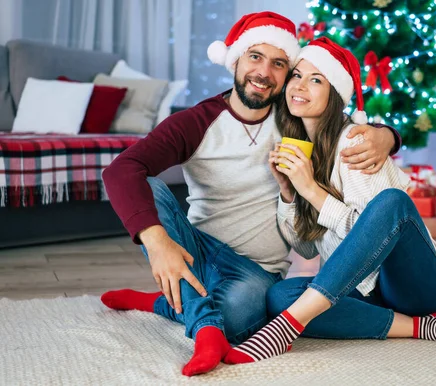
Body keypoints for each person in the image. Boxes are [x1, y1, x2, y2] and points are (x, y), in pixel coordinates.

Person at [99, 12, 400, 377]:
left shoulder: (295, 117)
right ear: (236, 59)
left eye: (278, 64)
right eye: (255, 56)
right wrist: (157, 240)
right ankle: (205, 330)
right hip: (198, 252)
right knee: (148, 187)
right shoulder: (197, 121)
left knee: (241, 319)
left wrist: (387, 136)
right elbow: (121, 170)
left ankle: (166, 304)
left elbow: (341, 120)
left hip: (256, 273)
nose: (264, 72)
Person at [224, 37, 436, 365]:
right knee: (279, 295)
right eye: (297, 75)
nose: (300, 86)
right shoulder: (300, 147)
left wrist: (311, 189)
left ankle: (289, 325)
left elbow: (378, 233)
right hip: (364, 293)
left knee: (391, 201)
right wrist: (287, 191)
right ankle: (421, 328)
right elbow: (308, 249)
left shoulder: (357, 141)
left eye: (316, 80)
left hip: (415, 287)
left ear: (334, 94)